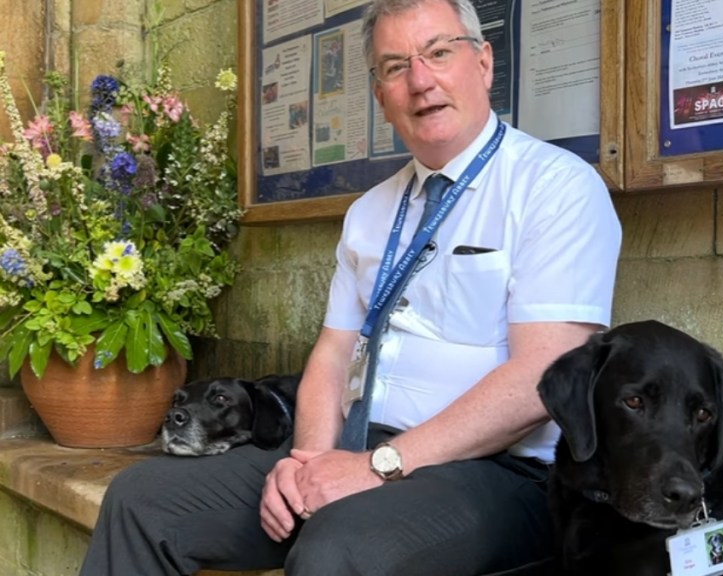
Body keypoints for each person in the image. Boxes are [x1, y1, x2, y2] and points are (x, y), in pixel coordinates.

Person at [79, 0, 621, 574]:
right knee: (142, 500)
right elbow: (334, 354)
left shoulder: (557, 188)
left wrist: (378, 465)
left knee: (336, 548)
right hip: (358, 449)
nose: (420, 80)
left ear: (483, 63)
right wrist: (308, 459)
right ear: (379, 93)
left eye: (438, 52)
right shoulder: (370, 211)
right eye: (394, 66)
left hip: (498, 472)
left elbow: (542, 377)